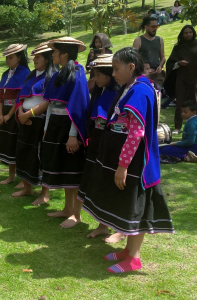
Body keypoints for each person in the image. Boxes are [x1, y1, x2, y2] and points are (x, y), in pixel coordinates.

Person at [81, 47, 175, 273]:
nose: (113, 74)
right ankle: (128, 251)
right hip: (126, 161)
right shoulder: (130, 87)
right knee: (127, 206)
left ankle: (134, 258)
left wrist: (122, 166)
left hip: (136, 164)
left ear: (131, 67)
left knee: (135, 207)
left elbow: (136, 132)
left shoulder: (140, 91)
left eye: (115, 69)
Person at [77, 54, 126, 243]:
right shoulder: (102, 92)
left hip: (113, 145)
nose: (94, 79)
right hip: (98, 143)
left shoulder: (119, 95)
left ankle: (121, 229)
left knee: (114, 185)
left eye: (98, 74)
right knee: (100, 184)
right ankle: (103, 225)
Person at [41, 37, 89, 228]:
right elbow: (51, 105)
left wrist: (72, 135)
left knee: (73, 169)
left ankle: (76, 214)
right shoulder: (57, 76)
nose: (53, 55)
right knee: (63, 168)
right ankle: (67, 208)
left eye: (55, 51)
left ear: (65, 53)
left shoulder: (78, 75)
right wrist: (46, 129)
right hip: (55, 126)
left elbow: (78, 108)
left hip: (69, 127)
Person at [12, 42, 58, 205]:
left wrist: (29, 114)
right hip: (25, 119)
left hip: (40, 121)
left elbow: (48, 101)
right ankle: (27, 187)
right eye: (34, 57)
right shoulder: (31, 76)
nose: (34, 60)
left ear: (47, 59)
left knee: (40, 155)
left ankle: (44, 194)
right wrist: (20, 114)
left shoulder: (52, 76)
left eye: (38, 57)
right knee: (23, 152)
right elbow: (20, 97)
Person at [165, 25, 197, 135]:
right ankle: (177, 127)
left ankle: (194, 126)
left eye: (190, 32)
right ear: (182, 34)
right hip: (181, 78)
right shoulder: (178, 47)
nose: (188, 34)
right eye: (186, 33)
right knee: (179, 103)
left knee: (194, 103)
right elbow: (170, 64)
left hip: (195, 78)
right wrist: (179, 63)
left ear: (193, 33)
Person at [0, 44, 30, 186]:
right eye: (7, 58)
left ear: (19, 58)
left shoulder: (24, 73)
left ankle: (23, 179)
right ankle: (11, 176)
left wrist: (9, 115)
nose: (8, 60)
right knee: (8, 144)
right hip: (5, 112)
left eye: (11, 57)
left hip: (15, 112)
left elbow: (20, 97)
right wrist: (0, 115)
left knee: (17, 145)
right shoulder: (6, 74)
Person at [133, 16, 165, 88]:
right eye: (153, 27)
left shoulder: (159, 40)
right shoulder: (138, 40)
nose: (155, 29)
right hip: (144, 75)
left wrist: (160, 66)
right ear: (146, 27)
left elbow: (163, 57)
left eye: (157, 26)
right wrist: (144, 68)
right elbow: (133, 58)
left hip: (157, 76)